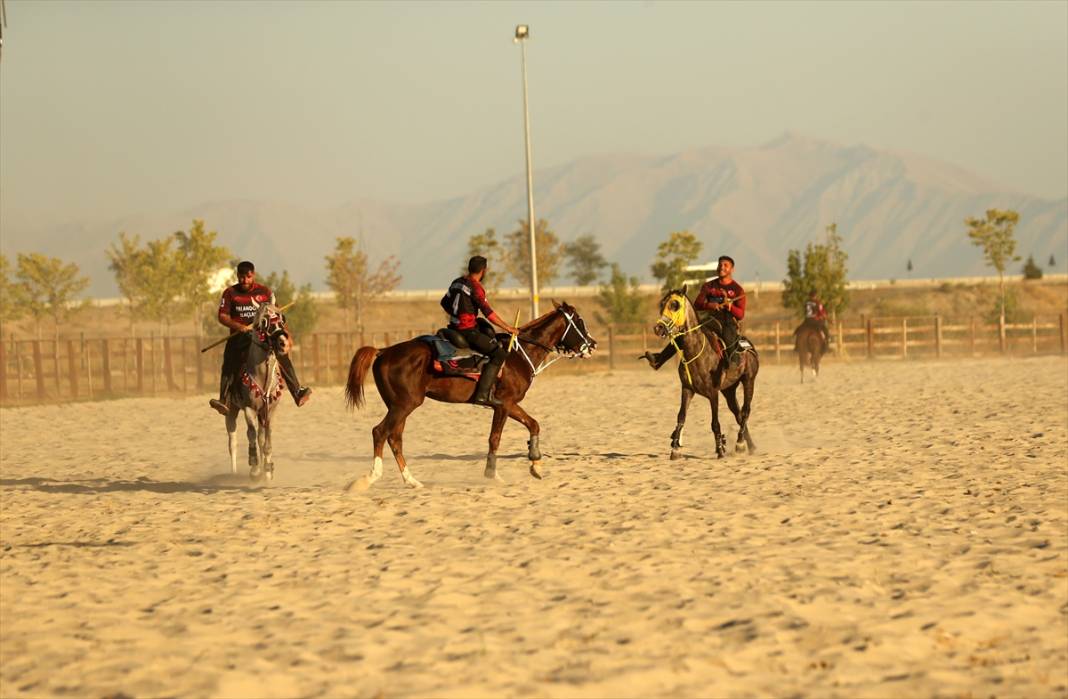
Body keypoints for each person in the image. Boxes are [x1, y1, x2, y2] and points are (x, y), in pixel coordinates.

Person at [209, 260, 312, 415]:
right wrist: (239, 326)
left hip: (264, 335)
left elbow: (276, 315)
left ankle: (297, 391)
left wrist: (287, 336)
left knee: (282, 354)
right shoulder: (230, 293)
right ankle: (224, 399)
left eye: (248, 277)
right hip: (239, 337)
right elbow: (222, 316)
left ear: (253, 275)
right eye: (242, 277)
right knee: (229, 359)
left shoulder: (265, 292)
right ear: (237, 276)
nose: (245, 280)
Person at [640, 255, 747, 369]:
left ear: (732, 269)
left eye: (726, 265)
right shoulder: (708, 286)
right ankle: (658, 359)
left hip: (727, 322)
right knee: (685, 335)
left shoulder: (737, 289)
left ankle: (733, 364)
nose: (722, 267)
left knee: (728, 336)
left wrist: (730, 306)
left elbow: (740, 315)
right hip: (710, 319)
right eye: (720, 265)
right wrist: (710, 305)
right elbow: (697, 305)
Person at [440, 256, 520, 407]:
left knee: (483, 327)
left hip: (454, 327)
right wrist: (508, 328)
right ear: (484, 271)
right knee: (499, 354)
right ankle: (483, 395)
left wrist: (456, 314)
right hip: (467, 331)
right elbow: (489, 314)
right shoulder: (476, 288)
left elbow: (444, 302)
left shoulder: (457, 282)